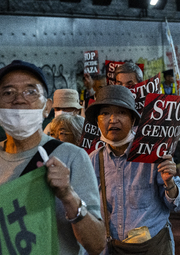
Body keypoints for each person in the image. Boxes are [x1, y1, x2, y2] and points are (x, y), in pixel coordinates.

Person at [0, 60, 105, 254]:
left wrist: (68, 195)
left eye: (31, 91)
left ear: (47, 107)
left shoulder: (73, 157)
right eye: (8, 92)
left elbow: (97, 244)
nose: (19, 99)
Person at [86, 85, 180, 254]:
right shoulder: (93, 160)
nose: (112, 119)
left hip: (152, 246)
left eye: (121, 112)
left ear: (133, 120)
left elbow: (177, 204)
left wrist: (169, 182)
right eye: (105, 113)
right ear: (97, 121)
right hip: (113, 248)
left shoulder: (153, 154)